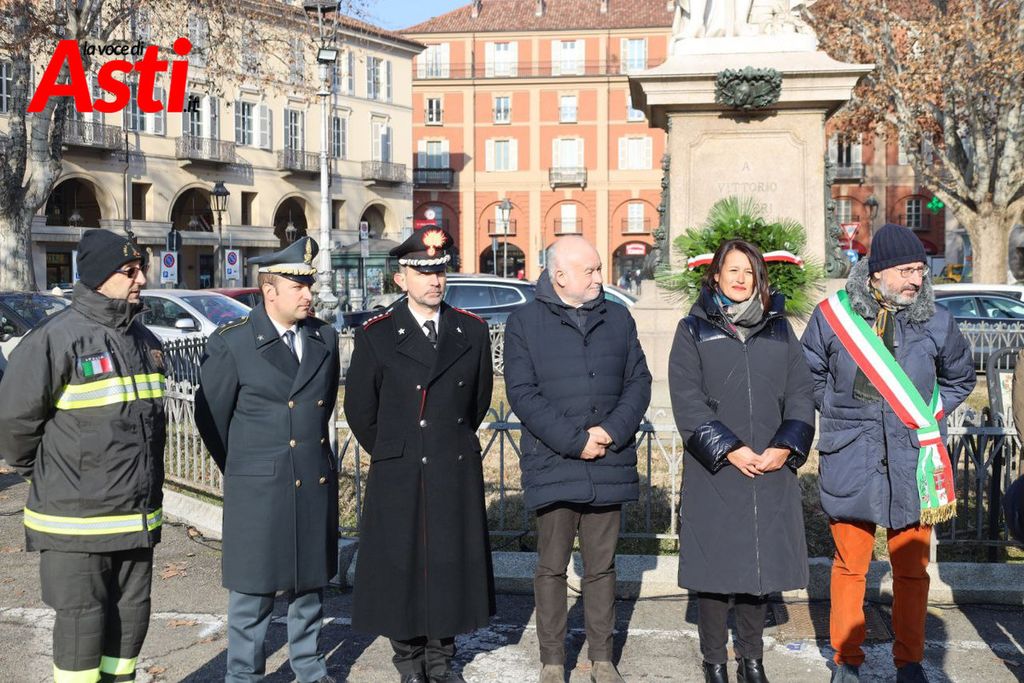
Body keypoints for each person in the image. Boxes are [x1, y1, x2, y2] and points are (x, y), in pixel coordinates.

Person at [802, 224, 976, 683]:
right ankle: (846, 660)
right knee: (850, 567)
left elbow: (960, 378)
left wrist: (926, 416)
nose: (916, 280)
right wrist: (840, 413)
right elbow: (808, 374)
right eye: (906, 270)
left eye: (920, 270)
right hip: (851, 456)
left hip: (913, 461)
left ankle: (910, 661)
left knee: (913, 571)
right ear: (877, 272)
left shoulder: (937, 320)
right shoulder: (832, 316)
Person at [0, 229, 165, 683]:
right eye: (129, 271)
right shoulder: (54, 340)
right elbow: (14, 427)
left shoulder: (144, 340)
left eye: (141, 269)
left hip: (136, 522)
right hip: (76, 526)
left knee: (129, 630)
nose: (140, 279)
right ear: (98, 277)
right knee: (81, 633)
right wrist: (53, 475)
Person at [345, 227, 495, 683]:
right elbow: (360, 409)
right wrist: (398, 449)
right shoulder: (377, 334)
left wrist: (443, 442)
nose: (435, 280)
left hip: (451, 464)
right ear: (401, 279)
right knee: (401, 564)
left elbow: (478, 401)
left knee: (449, 563)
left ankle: (441, 659)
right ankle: (409, 661)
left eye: (440, 271)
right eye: (424, 272)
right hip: (401, 467)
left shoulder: (471, 330)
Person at [503, 235, 651, 683]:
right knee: (551, 567)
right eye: (590, 270)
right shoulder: (524, 322)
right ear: (560, 275)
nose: (599, 277)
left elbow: (638, 382)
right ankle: (552, 660)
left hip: (608, 459)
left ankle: (602, 658)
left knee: (602, 567)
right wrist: (574, 441)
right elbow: (522, 393)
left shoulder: (618, 317)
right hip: (554, 462)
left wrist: (610, 431)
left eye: (598, 268)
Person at [668, 239, 815, 683]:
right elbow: (687, 400)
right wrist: (730, 449)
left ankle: (752, 661)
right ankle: (714, 662)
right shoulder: (692, 329)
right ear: (715, 275)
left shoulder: (779, 329)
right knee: (714, 574)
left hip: (769, 465)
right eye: (732, 270)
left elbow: (801, 393)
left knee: (758, 571)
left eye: (749, 272)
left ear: (759, 279)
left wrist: (784, 447)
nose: (740, 279)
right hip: (716, 468)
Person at [195, 236, 340, 683]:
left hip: (311, 477)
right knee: (253, 591)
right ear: (269, 291)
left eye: (309, 285)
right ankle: (243, 674)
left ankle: (309, 668)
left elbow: (321, 409)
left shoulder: (324, 338)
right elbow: (211, 418)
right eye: (298, 286)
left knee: (309, 585)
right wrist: (246, 467)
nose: (308, 294)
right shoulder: (234, 343)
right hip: (258, 485)